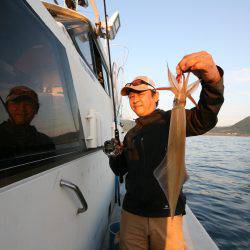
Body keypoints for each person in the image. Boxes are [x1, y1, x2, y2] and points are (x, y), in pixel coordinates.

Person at [104, 51, 224, 250]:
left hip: (166, 216)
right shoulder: (131, 134)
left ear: (155, 95)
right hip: (132, 214)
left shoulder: (171, 120)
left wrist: (212, 81)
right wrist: (113, 154)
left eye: (140, 93)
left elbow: (205, 118)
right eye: (131, 96)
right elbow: (120, 170)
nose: (134, 100)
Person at [0, 85, 55, 162]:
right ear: (7, 107)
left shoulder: (46, 142)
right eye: (16, 102)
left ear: (36, 109)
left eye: (28, 103)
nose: (22, 108)